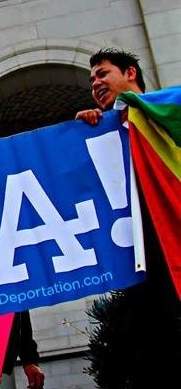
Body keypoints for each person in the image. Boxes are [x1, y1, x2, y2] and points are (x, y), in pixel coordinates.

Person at [76, 48, 181, 387]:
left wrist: (127, 111)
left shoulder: (165, 107)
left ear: (130, 73)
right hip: (144, 256)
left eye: (102, 74)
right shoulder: (109, 126)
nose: (96, 83)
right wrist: (95, 129)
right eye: (92, 80)